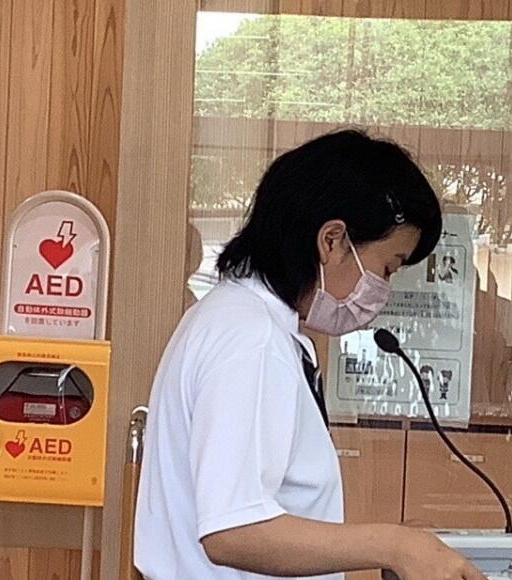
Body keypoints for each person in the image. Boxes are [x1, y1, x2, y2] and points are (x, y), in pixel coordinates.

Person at [134, 130, 486, 580]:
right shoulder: (250, 338)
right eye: (387, 267)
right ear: (332, 240)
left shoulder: (242, 321)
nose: (383, 288)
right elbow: (232, 531)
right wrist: (395, 545)